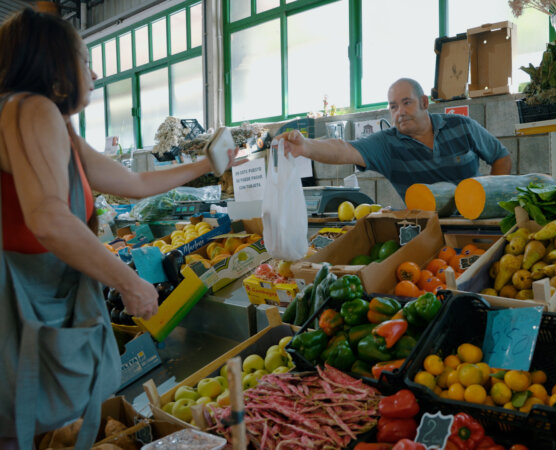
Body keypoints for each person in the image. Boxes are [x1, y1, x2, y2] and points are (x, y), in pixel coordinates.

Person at [0, 9, 239, 449]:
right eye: (83, 59)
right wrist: (129, 282)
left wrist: (210, 164)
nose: (93, 73)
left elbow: (134, 184)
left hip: (35, 311)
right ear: (53, 63)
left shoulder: (55, 126)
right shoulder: (30, 110)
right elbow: (48, 217)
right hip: (19, 312)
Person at [277, 78, 512, 198]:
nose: (399, 111)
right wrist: (306, 147)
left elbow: (501, 157)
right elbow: (343, 149)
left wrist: (489, 199)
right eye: (393, 106)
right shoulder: (387, 144)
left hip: (475, 224)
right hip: (425, 231)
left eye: (406, 103)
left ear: (424, 102)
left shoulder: (462, 126)